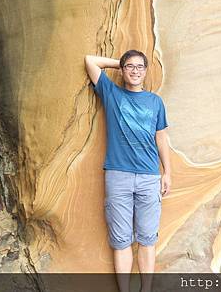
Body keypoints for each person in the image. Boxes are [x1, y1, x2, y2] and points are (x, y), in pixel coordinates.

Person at [84, 50, 171, 292]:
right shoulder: (112, 93)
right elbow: (90, 60)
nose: (135, 71)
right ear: (123, 70)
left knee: (147, 239)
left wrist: (168, 172)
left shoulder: (155, 102)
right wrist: (119, 64)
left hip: (149, 176)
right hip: (118, 175)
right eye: (129, 67)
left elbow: (161, 138)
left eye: (140, 67)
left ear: (146, 71)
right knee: (121, 240)